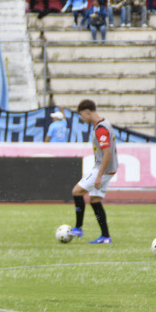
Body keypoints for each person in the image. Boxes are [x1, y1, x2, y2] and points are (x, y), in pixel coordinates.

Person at [68, 99, 116, 244]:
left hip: (103, 169)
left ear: (87, 111)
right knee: (95, 200)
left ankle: (78, 228)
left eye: (81, 115)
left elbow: (107, 153)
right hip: (109, 169)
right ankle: (105, 236)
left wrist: (99, 175)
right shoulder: (104, 124)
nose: (82, 118)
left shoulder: (101, 128)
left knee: (76, 192)